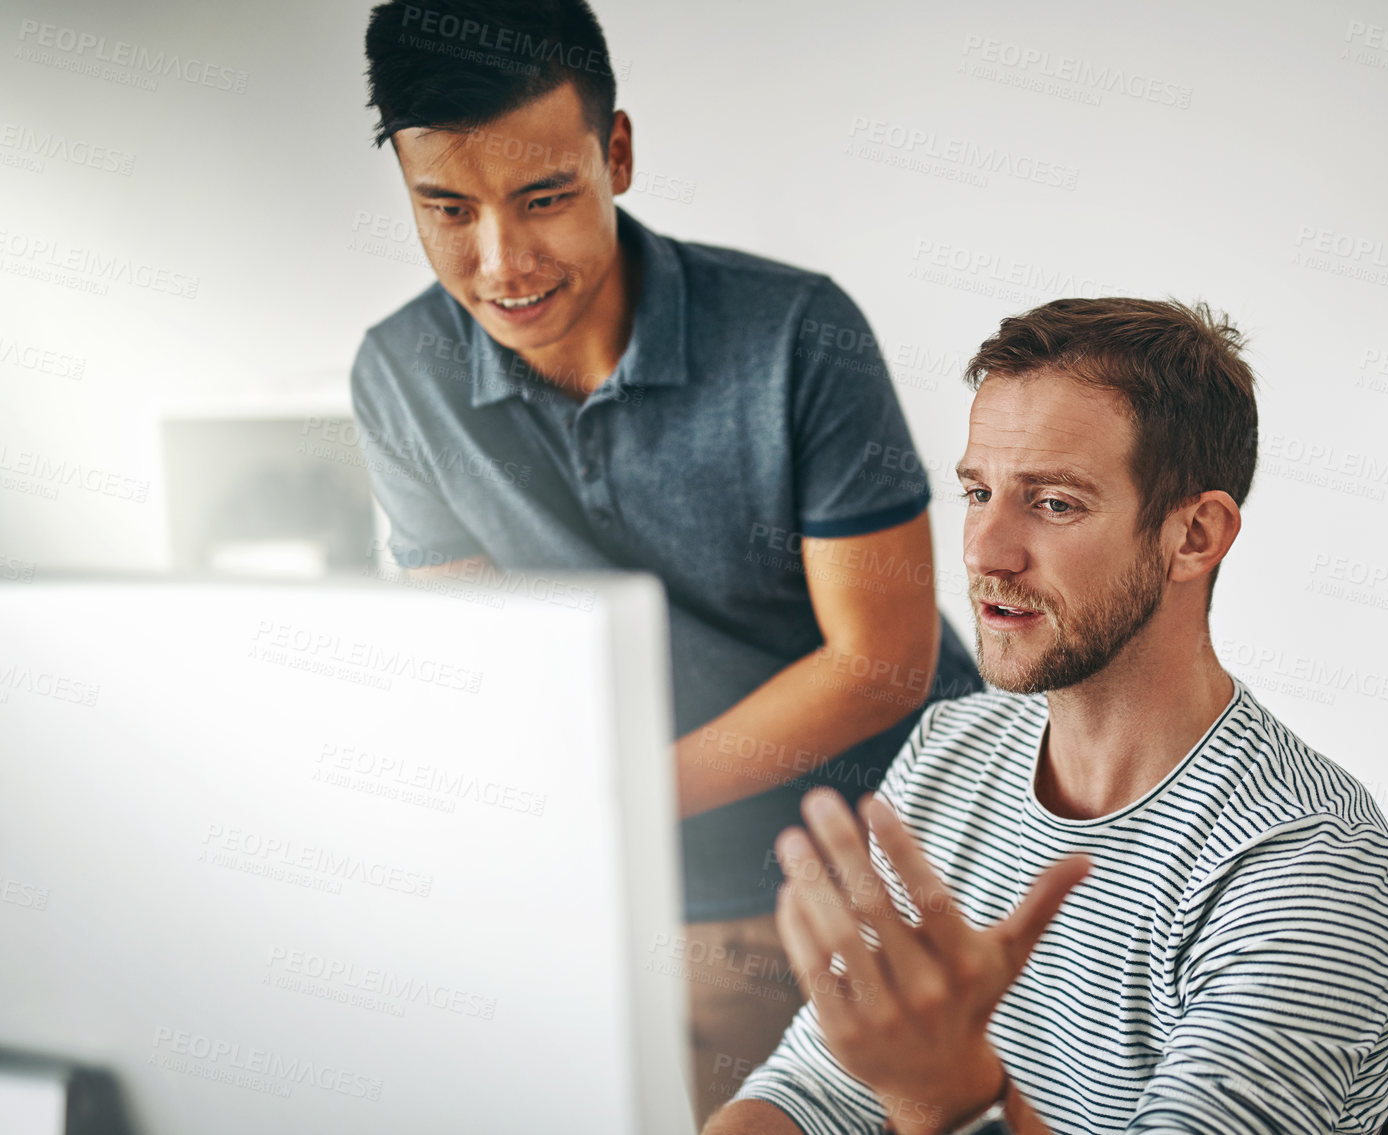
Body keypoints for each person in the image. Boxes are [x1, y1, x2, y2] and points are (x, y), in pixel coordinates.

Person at [352, 0, 981, 1120]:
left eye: (543, 199)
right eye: (446, 209)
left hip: (909, 863)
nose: (500, 263)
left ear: (618, 153)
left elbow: (878, 662)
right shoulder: (397, 378)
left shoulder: (796, 334)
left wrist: (611, 799)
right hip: (666, 901)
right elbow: (490, 669)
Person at [709, 297, 1388, 1134]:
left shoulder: (1305, 862)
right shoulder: (949, 750)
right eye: (978, 491)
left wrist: (952, 1099)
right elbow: (814, 1089)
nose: (982, 550)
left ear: (1194, 534)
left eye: (1053, 504)